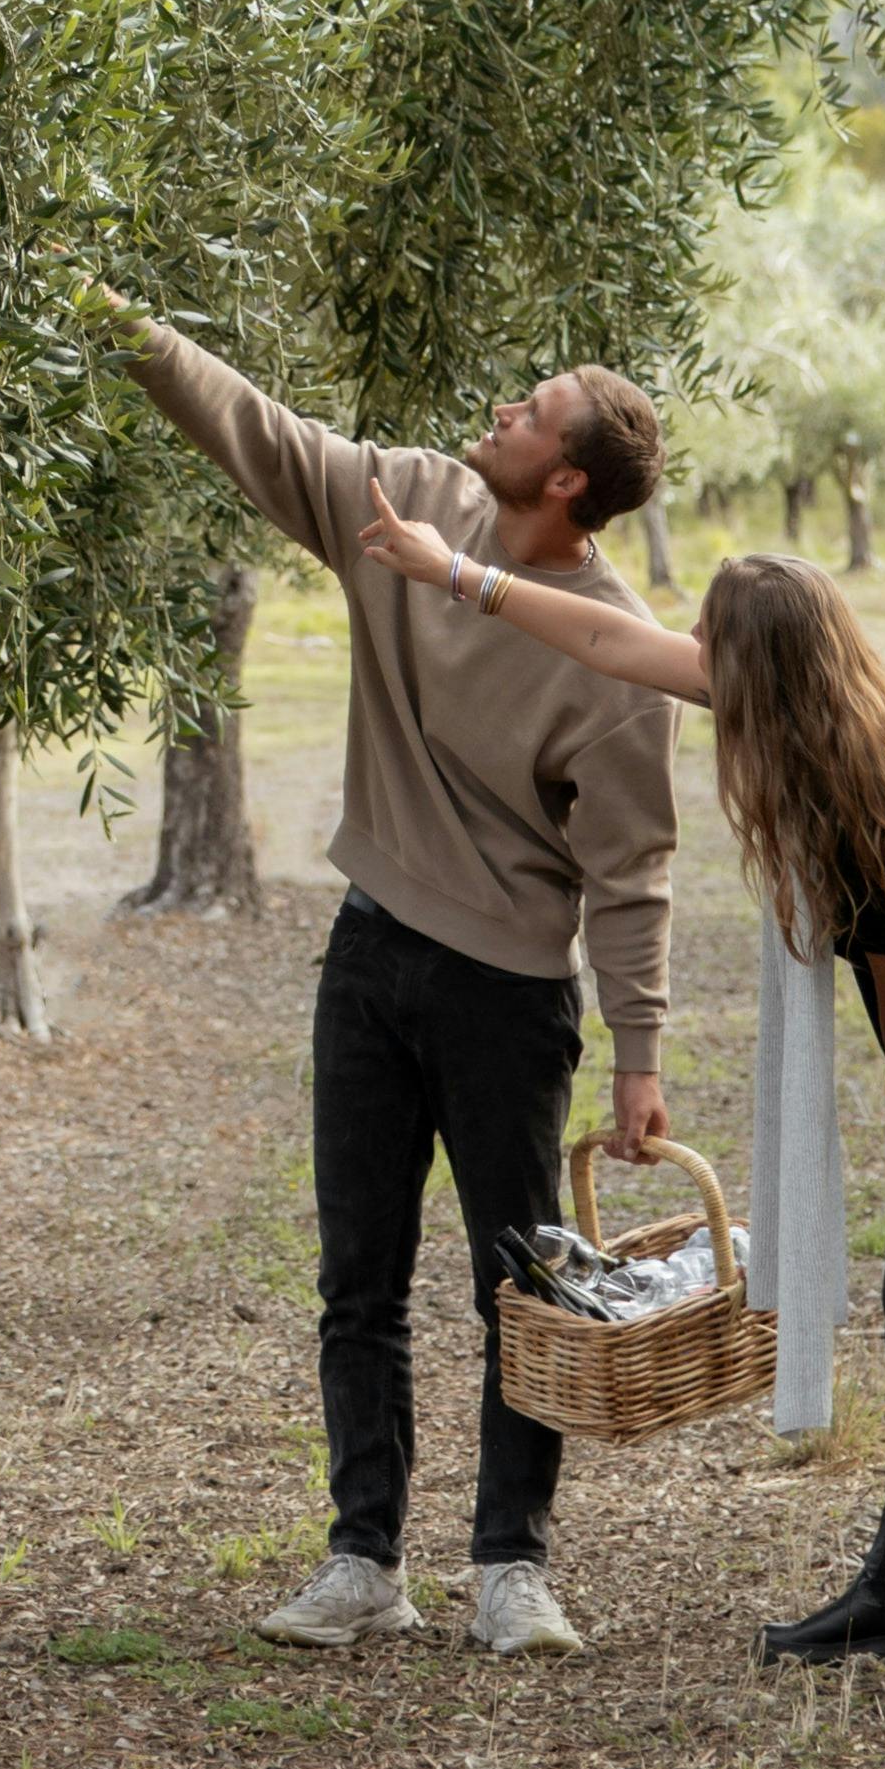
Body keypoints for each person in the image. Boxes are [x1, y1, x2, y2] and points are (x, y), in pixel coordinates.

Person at [352, 517, 885, 1700]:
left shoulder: (859, 794)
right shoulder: (834, 702)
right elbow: (611, 638)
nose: (689, 647)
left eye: (709, 636)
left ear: (756, 674)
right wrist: (455, 573)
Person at [96, 295, 678, 1658]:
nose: (499, 412)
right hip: (369, 952)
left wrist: (639, 1055)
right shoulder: (409, 505)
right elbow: (258, 432)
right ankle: (362, 1559)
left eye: (527, 412)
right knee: (356, 1278)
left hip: (506, 994)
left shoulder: (613, 651)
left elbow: (634, 867)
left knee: (525, 1289)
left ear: (567, 478)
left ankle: (509, 1568)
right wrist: (125, 327)